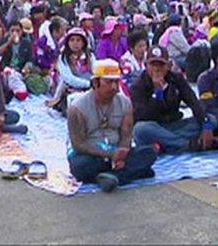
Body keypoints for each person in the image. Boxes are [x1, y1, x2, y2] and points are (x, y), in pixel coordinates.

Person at [67, 59, 158, 193]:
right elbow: (78, 145)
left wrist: (122, 152)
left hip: (117, 152)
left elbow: (126, 136)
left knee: (149, 153)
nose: (114, 87)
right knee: (79, 166)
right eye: (109, 82)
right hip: (90, 155)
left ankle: (109, 177)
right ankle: (126, 174)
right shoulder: (77, 108)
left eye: (116, 82)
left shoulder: (125, 103)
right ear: (95, 83)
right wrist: (111, 155)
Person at [131, 46, 214, 153]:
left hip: (175, 125)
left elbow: (194, 102)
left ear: (168, 66)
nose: (157, 69)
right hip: (154, 127)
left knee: (211, 119)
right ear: (146, 66)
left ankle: (167, 145)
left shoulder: (176, 79)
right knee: (140, 129)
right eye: (153, 65)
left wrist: (206, 125)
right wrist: (157, 93)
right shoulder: (138, 85)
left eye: (160, 65)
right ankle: (188, 145)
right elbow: (142, 115)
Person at [47, 27, 94, 112]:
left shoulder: (90, 56)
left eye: (78, 40)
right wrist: (89, 84)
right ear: (67, 42)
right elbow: (68, 78)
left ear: (83, 42)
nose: (75, 43)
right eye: (72, 40)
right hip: (69, 87)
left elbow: (95, 71)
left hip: (89, 86)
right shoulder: (63, 57)